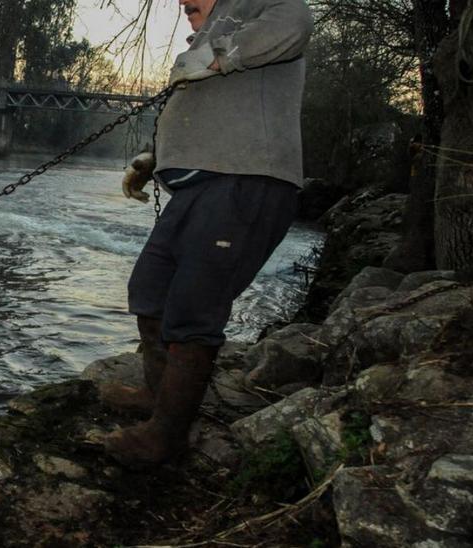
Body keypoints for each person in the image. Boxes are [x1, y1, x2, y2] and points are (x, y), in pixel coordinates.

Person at [102, 0, 315, 466]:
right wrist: (152, 159)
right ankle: (159, 398)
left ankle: (167, 436)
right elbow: (213, 116)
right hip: (203, 187)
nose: (181, 3)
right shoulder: (212, 36)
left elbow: (295, 24)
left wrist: (216, 53)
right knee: (150, 289)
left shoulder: (259, 8)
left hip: (246, 182)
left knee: (193, 308)